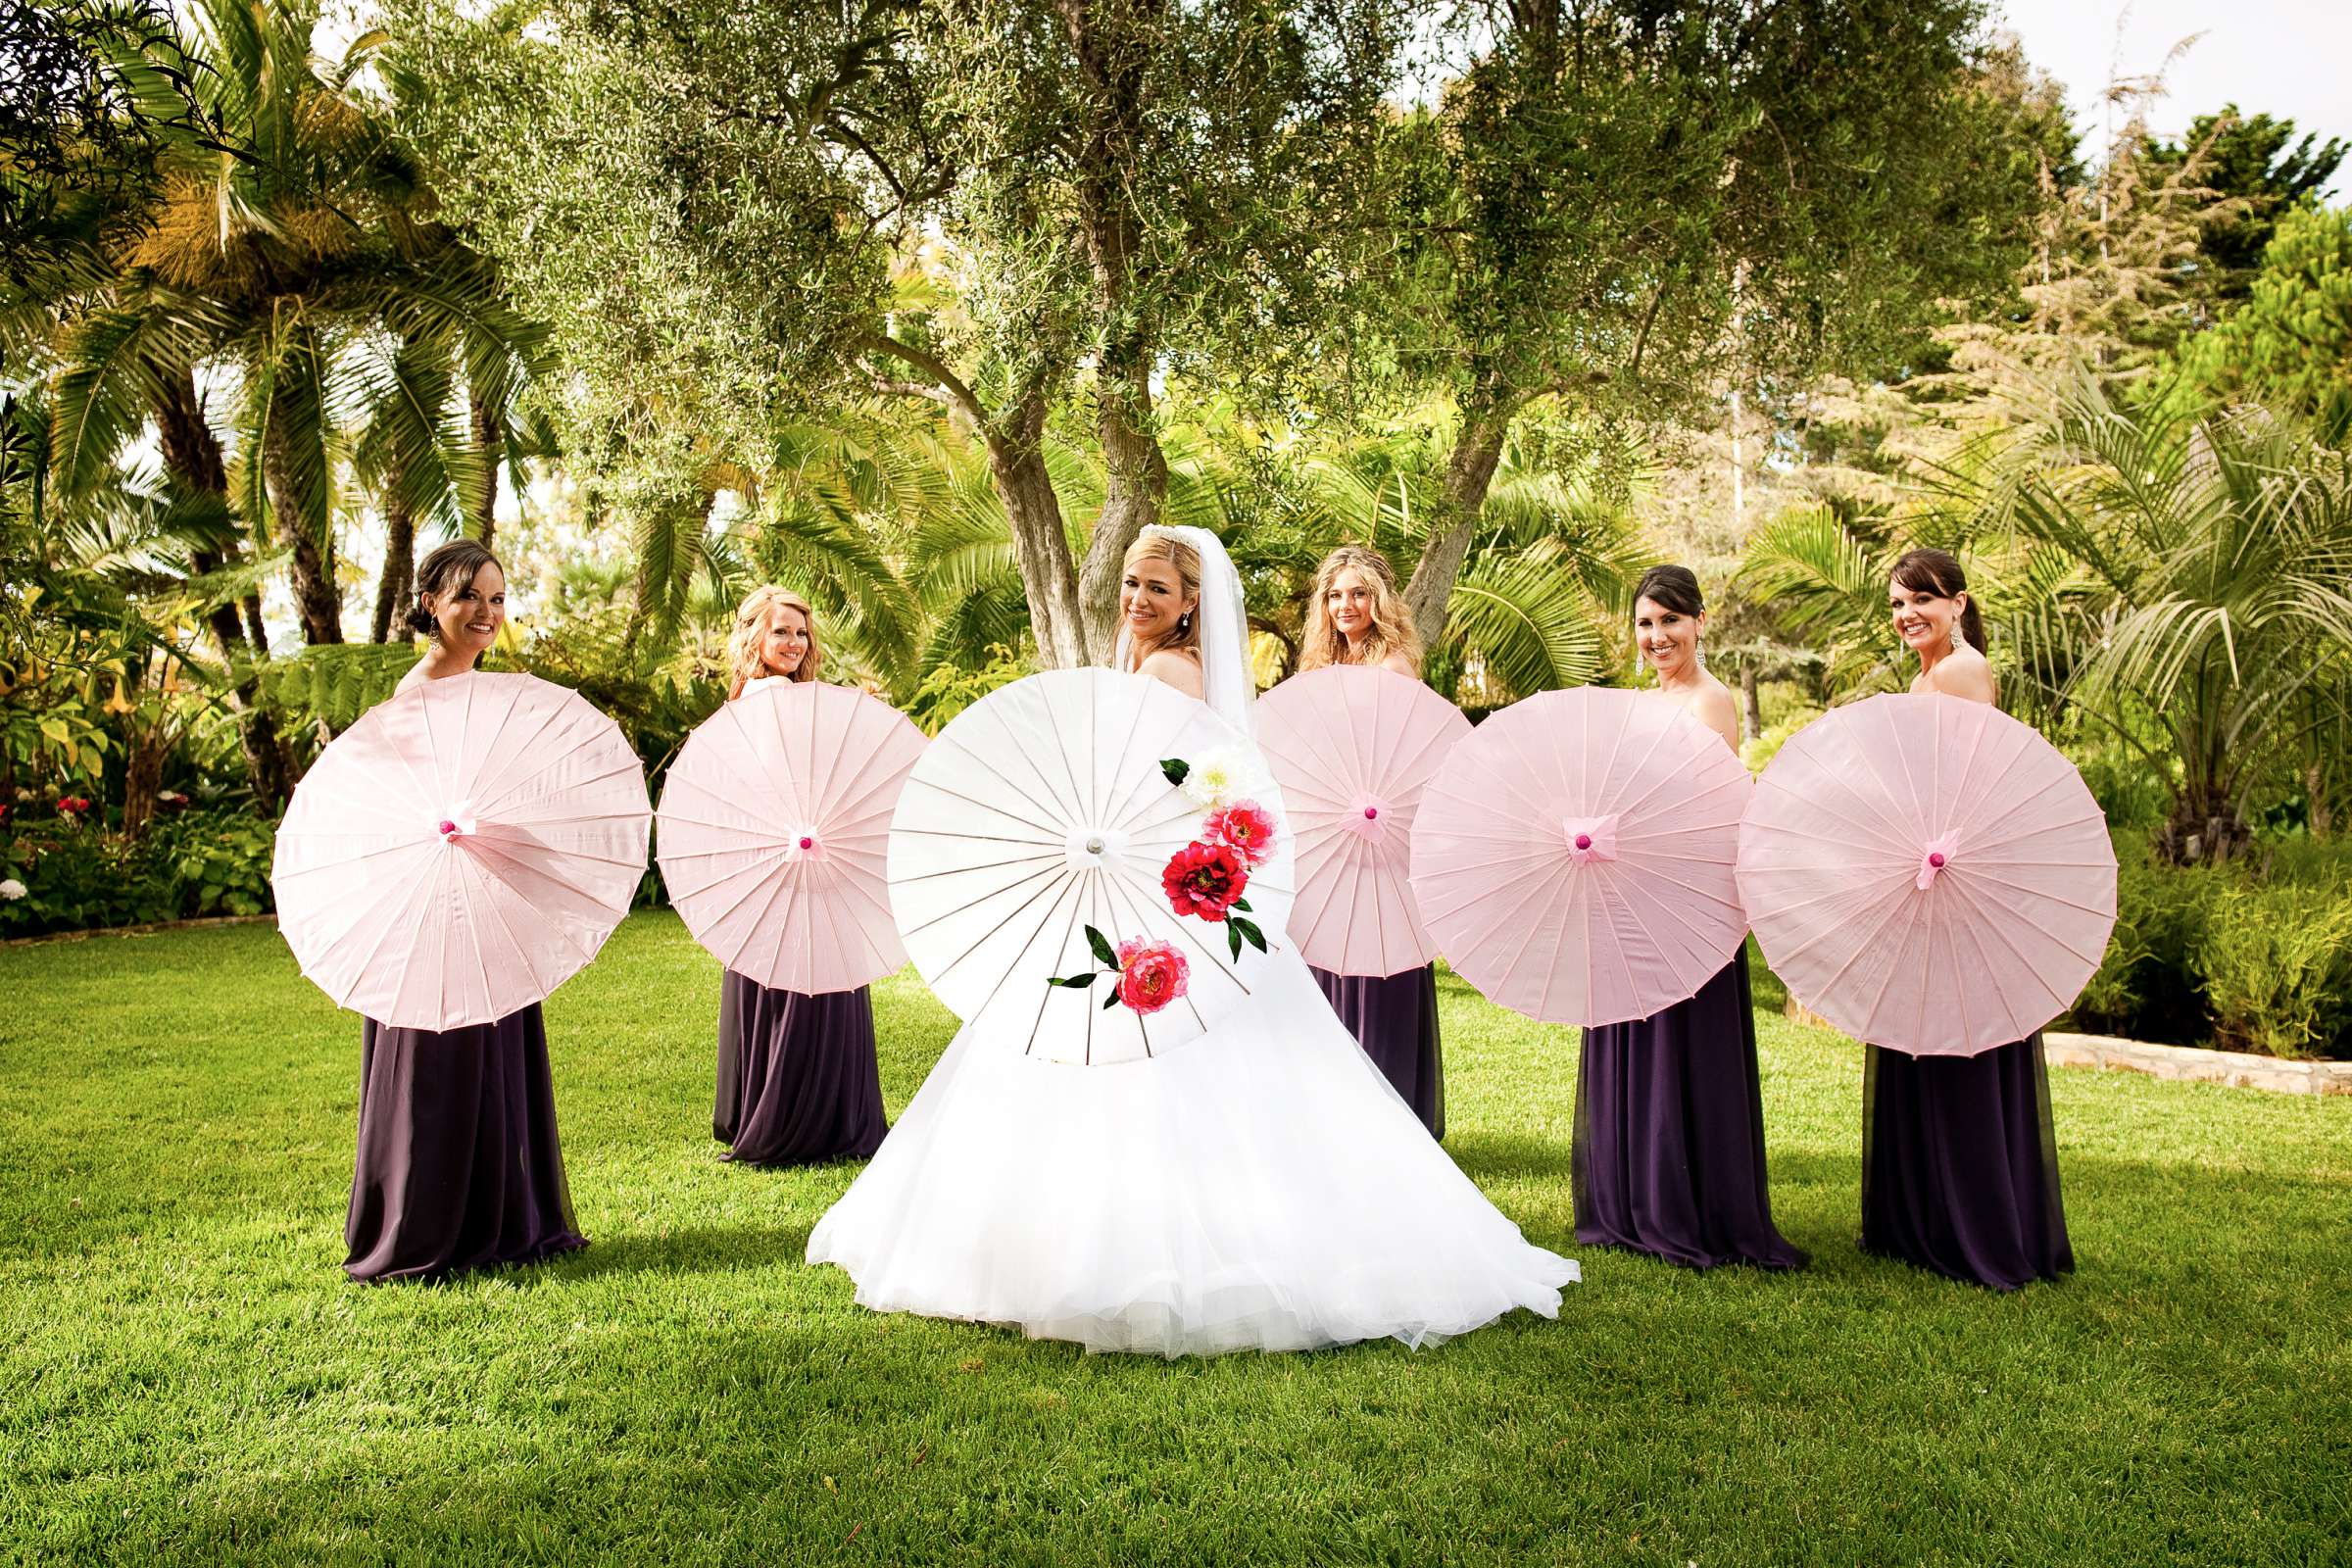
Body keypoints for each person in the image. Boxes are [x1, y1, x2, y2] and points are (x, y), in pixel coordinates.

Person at [807, 526, 1577, 1355]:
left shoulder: (1174, 672)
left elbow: (1178, 788)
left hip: (1152, 891)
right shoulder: (1143, 661)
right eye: (1134, 584)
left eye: (1158, 590)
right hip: (1118, 885)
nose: (1139, 599)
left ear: (1190, 605)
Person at [344, 540, 588, 1281]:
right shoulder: (413, 701)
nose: (485, 614)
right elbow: (393, 812)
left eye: (497, 598)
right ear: (430, 605)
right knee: (436, 1061)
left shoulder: (497, 692)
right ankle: (428, 1227)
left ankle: (503, 1216)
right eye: (468, 598)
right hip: (432, 911)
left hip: (488, 904)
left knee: (495, 1056)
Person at [1568, 564, 1807, 1271]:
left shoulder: (1710, 702)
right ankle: (1630, 1194)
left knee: (1680, 1046)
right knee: (1632, 1031)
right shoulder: (1643, 704)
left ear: (1700, 622)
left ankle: (1686, 1201)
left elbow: (1706, 809)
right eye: (1645, 623)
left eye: (1670, 620)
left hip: (1683, 895)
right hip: (1627, 890)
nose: (1657, 636)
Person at [1861, 547, 2073, 1290]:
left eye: (1921, 598)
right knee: (1929, 1035)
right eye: (1895, 603)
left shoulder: (1958, 671)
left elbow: (1964, 783)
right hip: (1928, 874)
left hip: (1952, 877)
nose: (1906, 614)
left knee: (1955, 1039)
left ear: (1957, 603)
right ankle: (1928, 1215)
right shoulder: (1927, 674)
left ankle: (1967, 1223)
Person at [708, 586, 888, 1166]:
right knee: (812, 979)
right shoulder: (772, 695)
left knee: (778, 977)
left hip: (779, 854)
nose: (793, 641)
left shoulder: (751, 697)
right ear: (754, 635)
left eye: (801, 632)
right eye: (781, 630)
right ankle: (810, 1119)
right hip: (801, 853)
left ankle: (763, 1106)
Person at [1294, 545, 1446, 1137]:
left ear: (1379, 600)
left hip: (1381, 840)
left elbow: (1403, 757)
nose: (1346, 605)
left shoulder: (1393, 668)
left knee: (1376, 967)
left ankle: (1392, 1120)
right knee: (1330, 968)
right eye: (1335, 595)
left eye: (1358, 593)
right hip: (1331, 840)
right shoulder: (1319, 671)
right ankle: (1339, 1122)